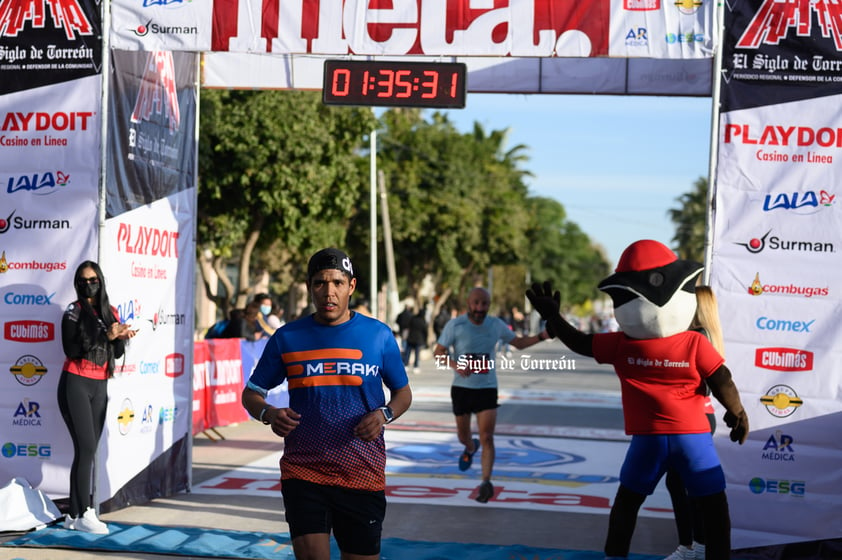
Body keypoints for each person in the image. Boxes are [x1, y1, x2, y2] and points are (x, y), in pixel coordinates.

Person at [526, 240, 748, 560]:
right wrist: (737, 412)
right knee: (714, 507)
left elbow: (579, 342)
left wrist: (555, 318)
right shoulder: (693, 342)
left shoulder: (621, 343)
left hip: (648, 442)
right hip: (694, 439)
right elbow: (722, 379)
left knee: (627, 505)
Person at [241, 248, 412, 560]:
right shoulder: (287, 337)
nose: (328, 291)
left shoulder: (379, 336)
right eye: (320, 283)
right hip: (303, 471)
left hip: (362, 470)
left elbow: (403, 394)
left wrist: (384, 414)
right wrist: (268, 413)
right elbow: (251, 393)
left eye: (337, 282)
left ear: (352, 286)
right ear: (310, 287)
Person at [432, 286, 550, 504]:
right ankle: (469, 447)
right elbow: (437, 353)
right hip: (462, 389)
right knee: (463, 436)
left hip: (487, 388)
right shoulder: (455, 325)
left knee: (487, 437)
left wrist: (543, 335)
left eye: (484, 303)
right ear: (468, 303)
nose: (479, 308)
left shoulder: (495, 325)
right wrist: (455, 365)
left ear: (489, 305)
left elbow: (519, 343)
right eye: (476, 303)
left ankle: (486, 482)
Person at [58, 261, 136, 534]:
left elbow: (113, 353)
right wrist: (106, 334)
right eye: (82, 280)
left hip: (100, 385)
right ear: (77, 283)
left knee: (85, 451)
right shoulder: (73, 311)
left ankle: (74, 515)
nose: (88, 284)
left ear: (100, 281)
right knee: (88, 449)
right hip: (75, 382)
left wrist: (120, 337)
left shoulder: (109, 311)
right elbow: (71, 349)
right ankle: (85, 512)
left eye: (92, 279)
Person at [664, 285, 723, 560]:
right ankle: (690, 546)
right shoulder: (703, 335)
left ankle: (696, 546)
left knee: (687, 484)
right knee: (678, 483)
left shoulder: (697, 337)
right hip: (694, 415)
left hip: (694, 416)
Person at [403, 306, 428, 373]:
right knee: (417, 354)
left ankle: (406, 365)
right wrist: (425, 340)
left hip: (410, 338)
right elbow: (425, 331)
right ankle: (416, 366)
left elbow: (408, 326)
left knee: (408, 353)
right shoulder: (423, 321)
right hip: (418, 340)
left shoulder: (413, 319)